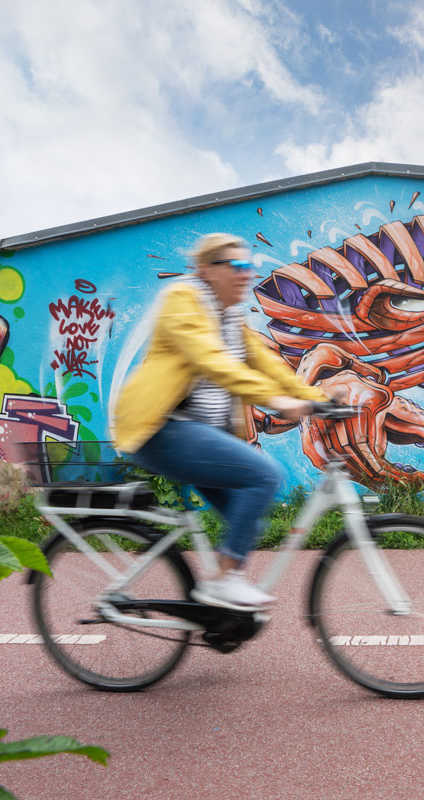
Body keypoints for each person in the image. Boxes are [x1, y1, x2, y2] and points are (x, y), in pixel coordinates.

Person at [111, 232, 328, 610]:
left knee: (249, 518)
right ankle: (223, 583)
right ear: (207, 271)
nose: (248, 274)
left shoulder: (229, 315)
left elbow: (266, 361)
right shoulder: (182, 300)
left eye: (251, 266)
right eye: (238, 266)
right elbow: (212, 361)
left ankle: (216, 606)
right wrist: (277, 401)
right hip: (161, 429)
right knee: (264, 476)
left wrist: (315, 399)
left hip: (198, 433)